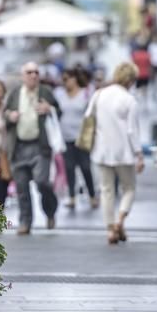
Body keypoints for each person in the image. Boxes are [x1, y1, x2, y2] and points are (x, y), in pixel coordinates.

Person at [87, 62, 144, 244]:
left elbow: (88, 117)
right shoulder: (129, 100)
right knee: (129, 188)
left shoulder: (99, 94)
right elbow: (132, 131)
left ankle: (111, 229)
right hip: (124, 152)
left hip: (102, 149)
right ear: (131, 80)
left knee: (106, 190)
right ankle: (120, 220)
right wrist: (139, 154)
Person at [4, 62, 60, 235]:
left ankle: (50, 211)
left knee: (42, 182)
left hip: (39, 146)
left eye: (36, 72)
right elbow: (4, 113)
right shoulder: (15, 93)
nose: (33, 75)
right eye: (29, 72)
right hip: (19, 146)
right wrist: (10, 116)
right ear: (23, 75)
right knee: (21, 187)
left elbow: (59, 110)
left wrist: (49, 109)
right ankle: (25, 222)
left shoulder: (45, 92)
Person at [54, 69, 98, 210]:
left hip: (81, 137)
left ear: (74, 79)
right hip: (65, 136)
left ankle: (92, 195)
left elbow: (92, 114)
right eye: (63, 79)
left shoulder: (85, 93)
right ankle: (72, 196)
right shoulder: (59, 94)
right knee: (69, 168)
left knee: (85, 167)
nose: (65, 82)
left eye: (68, 78)